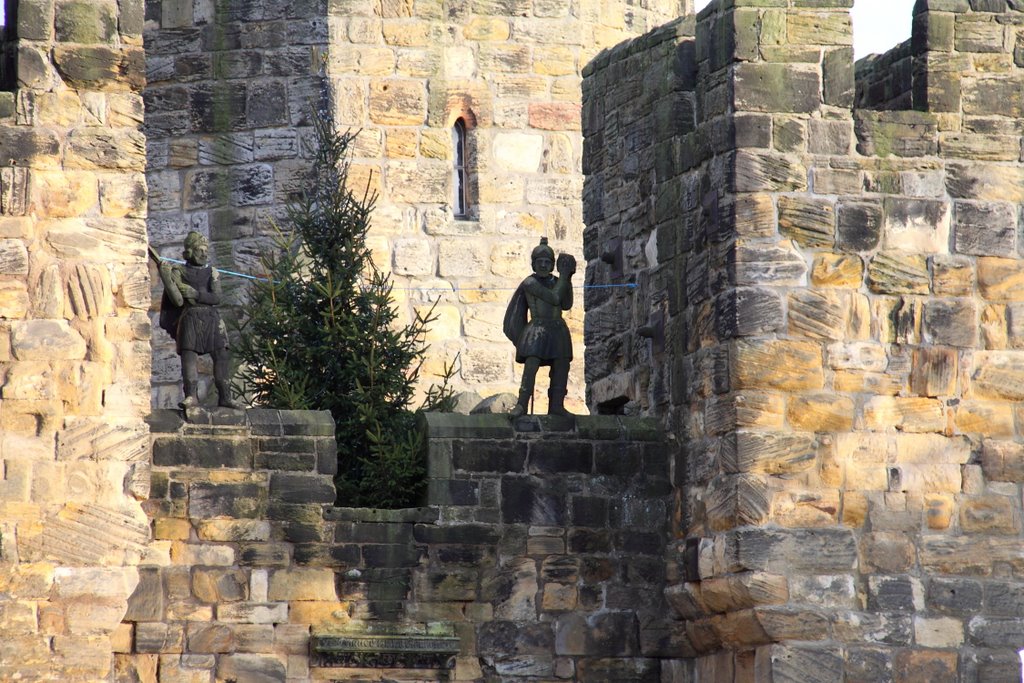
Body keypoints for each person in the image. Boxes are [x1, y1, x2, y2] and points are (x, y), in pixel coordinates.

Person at [156, 231, 240, 409]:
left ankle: (225, 396)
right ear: (189, 252)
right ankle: (191, 396)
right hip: (190, 318)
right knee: (189, 357)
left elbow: (217, 298)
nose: (204, 254)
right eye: (200, 250)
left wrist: (196, 294)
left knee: (221, 355)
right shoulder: (179, 271)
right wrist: (166, 278)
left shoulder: (212, 272)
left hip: (211, 318)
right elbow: (178, 300)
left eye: (206, 250)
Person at [503, 237, 576, 417]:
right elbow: (553, 298)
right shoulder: (530, 283)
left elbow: (566, 304)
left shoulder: (557, 281)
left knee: (561, 365)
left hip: (558, 329)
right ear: (533, 264)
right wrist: (564, 277)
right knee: (532, 364)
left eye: (547, 262)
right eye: (539, 262)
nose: (543, 265)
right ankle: (521, 404)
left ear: (552, 265)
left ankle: (556, 405)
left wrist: (568, 280)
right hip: (537, 330)